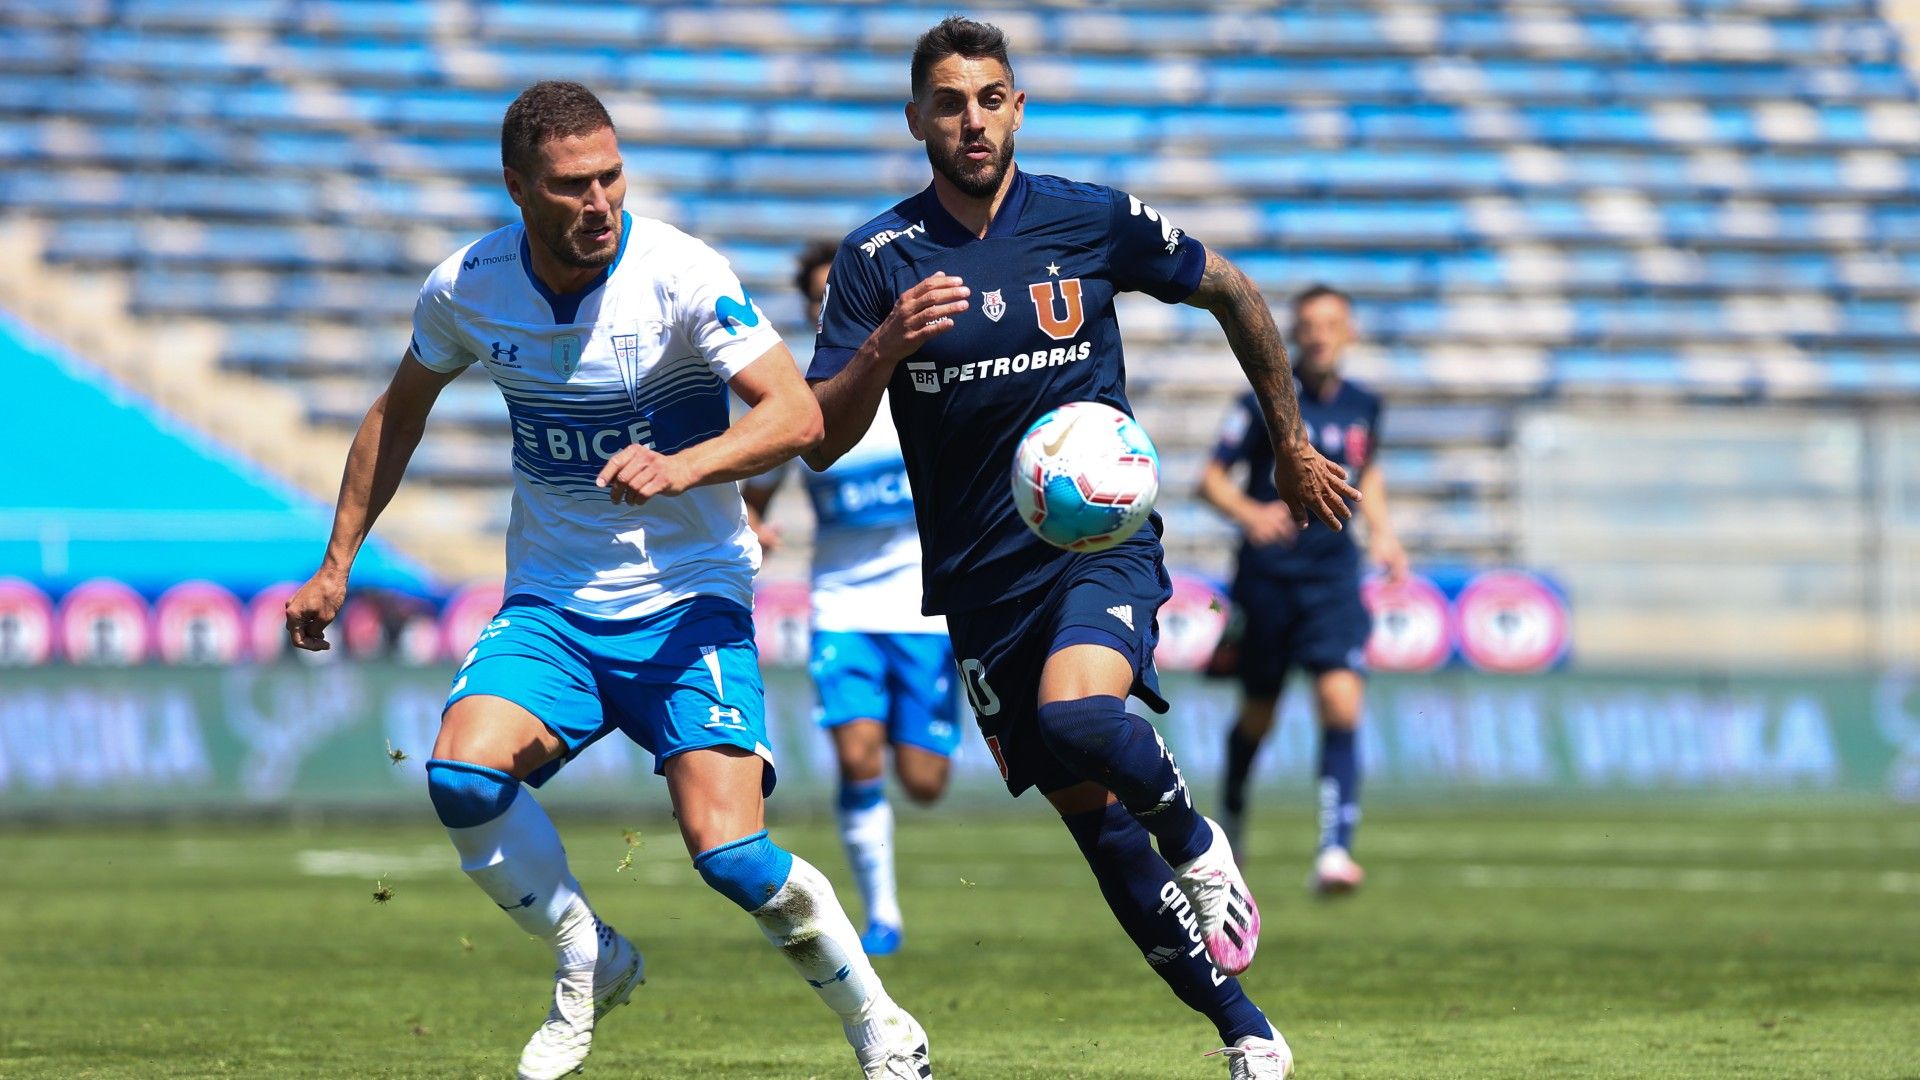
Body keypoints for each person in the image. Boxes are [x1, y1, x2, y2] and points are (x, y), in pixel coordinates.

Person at [283, 81, 932, 1080]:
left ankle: (879, 1024)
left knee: (729, 856)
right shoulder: (467, 286)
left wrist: (683, 465)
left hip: (691, 599)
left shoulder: (680, 273)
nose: (599, 203)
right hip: (553, 603)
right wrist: (337, 565)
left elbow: (796, 415)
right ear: (517, 188)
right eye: (572, 185)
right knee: (461, 775)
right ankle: (591, 954)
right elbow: (396, 410)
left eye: (611, 177)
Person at [803, 19, 1358, 1080]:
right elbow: (825, 441)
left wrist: (1287, 441)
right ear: (917, 118)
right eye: (951, 102)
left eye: (992, 97)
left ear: (1018, 107)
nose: (973, 120)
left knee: (1078, 712)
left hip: (1096, 546)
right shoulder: (878, 262)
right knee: (1098, 831)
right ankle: (1251, 1032)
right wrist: (883, 346)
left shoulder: (1090, 218)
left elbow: (1233, 289)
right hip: (979, 587)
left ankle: (1196, 839)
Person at [742, 242, 961, 957]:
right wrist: (753, 530)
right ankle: (884, 914)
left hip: (924, 606)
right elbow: (756, 491)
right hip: (840, 602)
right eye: (816, 295)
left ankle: (888, 896)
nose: (826, 302)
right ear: (808, 309)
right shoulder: (799, 396)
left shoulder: (920, 380)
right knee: (858, 756)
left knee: (924, 781)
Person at [1201, 284, 1405, 896]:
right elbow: (1211, 479)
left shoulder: (1365, 405)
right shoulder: (1264, 401)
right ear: (1293, 334)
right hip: (1269, 579)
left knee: (1342, 703)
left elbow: (1366, 471)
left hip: (1333, 576)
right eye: (1308, 325)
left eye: (1330, 324)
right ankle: (1231, 818)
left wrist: (1385, 534)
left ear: (1349, 334)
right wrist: (1250, 514)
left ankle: (1335, 852)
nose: (1319, 334)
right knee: (1258, 717)